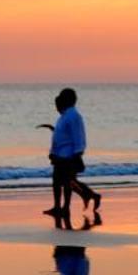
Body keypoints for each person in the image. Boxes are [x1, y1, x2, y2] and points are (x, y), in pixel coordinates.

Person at [37, 88, 102, 229]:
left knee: (67, 183)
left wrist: (77, 154)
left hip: (68, 155)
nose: (60, 100)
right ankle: (58, 207)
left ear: (68, 99)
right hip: (60, 154)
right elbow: (62, 134)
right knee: (57, 181)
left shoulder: (74, 116)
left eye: (62, 97)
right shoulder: (65, 115)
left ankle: (65, 207)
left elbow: (78, 136)